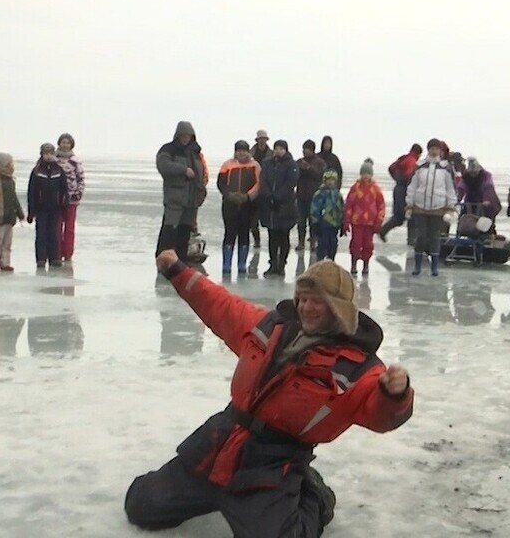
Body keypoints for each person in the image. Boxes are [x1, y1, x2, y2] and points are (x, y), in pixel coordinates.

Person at [125, 250, 413, 537]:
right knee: (141, 504)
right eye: (302, 298)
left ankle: (313, 496)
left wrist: (393, 394)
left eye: (317, 302)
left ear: (338, 309)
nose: (306, 307)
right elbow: (221, 306)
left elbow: (379, 414)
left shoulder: (357, 368)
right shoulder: (270, 326)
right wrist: (178, 270)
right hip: (219, 442)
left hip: (273, 463)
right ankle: (214, 494)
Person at [155, 121, 207, 264]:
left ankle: (181, 263)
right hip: (175, 199)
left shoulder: (195, 152)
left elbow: (201, 173)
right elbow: (163, 166)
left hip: (191, 200)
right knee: (169, 231)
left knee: (184, 234)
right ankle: (163, 261)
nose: (185, 138)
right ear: (178, 135)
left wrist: (202, 191)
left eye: (188, 136)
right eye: (183, 135)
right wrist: (183, 170)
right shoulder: (168, 149)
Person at [406, 139, 457, 276]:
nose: (434, 151)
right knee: (421, 237)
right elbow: (412, 186)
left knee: (435, 237)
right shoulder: (419, 166)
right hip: (420, 208)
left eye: (436, 149)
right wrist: (409, 205)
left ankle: (434, 267)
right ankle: (417, 266)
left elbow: (451, 188)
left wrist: (450, 207)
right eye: (432, 148)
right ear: (428, 150)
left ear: (440, 151)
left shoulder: (446, 168)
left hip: (438, 208)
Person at [217, 140, 262, 275]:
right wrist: (230, 195)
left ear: (248, 151)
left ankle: (242, 264)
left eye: (244, 150)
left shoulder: (255, 165)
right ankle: (226, 264)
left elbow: (259, 184)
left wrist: (247, 197)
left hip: (248, 205)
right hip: (230, 205)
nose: (241, 153)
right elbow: (221, 183)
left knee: (244, 234)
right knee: (229, 233)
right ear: (235, 151)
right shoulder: (227, 164)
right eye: (239, 150)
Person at [257, 139, 299, 276]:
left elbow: (291, 183)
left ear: (286, 150)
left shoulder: (291, 164)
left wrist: (278, 197)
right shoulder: (267, 163)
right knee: (272, 236)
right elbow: (262, 180)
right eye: (276, 148)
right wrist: (269, 196)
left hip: (285, 206)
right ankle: (273, 263)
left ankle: (282, 264)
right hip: (269, 206)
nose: (278, 151)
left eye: (281, 148)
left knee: (283, 236)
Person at [28, 142, 68, 269]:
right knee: (41, 234)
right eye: (46, 153)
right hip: (41, 208)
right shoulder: (37, 171)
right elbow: (31, 192)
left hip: (55, 208)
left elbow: (64, 189)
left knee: (53, 233)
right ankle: (41, 259)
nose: (49, 156)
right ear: (42, 154)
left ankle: (54, 257)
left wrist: (64, 203)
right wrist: (31, 211)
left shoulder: (58, 170)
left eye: (51, 153)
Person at [0, 150, 25, 272]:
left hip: (9, 217)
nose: (12, 165)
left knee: (7, 243)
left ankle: (5, 262)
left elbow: (14, 198)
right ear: (4, 165)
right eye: (10, 163)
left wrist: (20, 214)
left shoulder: (10, 180)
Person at [344, 159, 386, 276]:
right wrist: (346, 220)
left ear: (371, 174)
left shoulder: (376, 189)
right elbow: (349, 204)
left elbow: (381, 206)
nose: (365, 176)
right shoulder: (355, 188)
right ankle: (354, 264)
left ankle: (366, 265)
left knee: (368, 244)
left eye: (367, 174)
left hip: (370, 223)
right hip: (357, 221)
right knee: (356, 243)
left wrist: (379, 221)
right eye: (363, 173)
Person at [379, 143, 423, 243]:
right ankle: (411, 239)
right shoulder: (412, 161)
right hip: (404, 191)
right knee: (409, 214)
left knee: (398, 216)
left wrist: (397, 179)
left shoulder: (404, 158)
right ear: (419, 153)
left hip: (398, 188)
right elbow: (409, 176)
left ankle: (383, 230)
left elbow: (391, 168)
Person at [55, 132, 85, 263]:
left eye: (67, 143)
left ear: (71, 145)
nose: (65, 145)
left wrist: (78, 192)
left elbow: (81, 179)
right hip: (56, 199)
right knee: (57, 226)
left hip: (72, 199)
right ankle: (57, 251)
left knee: (69, 227)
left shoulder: (75, 161)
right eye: (63, 142)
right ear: (59, 143)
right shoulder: (53, 160)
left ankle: (67, 253)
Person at [295, 139, 326, 253]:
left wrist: (309, 168)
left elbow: (320, 176)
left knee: (313, 221)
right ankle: (301, 242)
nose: (305, 151)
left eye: (307, 149)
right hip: (301, 195)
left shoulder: (319, 162)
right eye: (303, 149)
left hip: (314, 197)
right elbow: (294, 176)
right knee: (301, 221)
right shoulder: (298, 162)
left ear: (312, 150)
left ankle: (313, 243)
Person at [455, 156, 501, 227]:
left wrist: (486, 199)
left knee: (487, 220)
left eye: (475, 173)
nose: (473, 174)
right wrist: (457, 199)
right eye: (471, 173)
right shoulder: (466, 176)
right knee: (464, 219)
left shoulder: (485, 176)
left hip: (485, 201)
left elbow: (488, 187)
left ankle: (489, 233)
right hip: (470, 201)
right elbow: (461, 187)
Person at [310, 170, 345, 262]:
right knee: (323, 242)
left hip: (335, 224)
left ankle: (331, 259)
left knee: (333, 243)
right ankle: (320, 260)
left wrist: (342, 223)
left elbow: (341, 209)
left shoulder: (338, 195)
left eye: (332, 180)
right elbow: (314, 209)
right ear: (324, 181)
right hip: (323, 223)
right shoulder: (319, 194)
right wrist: (315, 222)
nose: (330, 182)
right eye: (328, 180)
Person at [249, 129, 274, 248]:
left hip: (266, 190)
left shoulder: (272, 154)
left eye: (264, 139)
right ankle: (257, 240)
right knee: (252, 220)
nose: (262, 141)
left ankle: (272, 243)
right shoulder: (250, 154)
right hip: (253, 189)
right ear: (257, 140)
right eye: (260, 139)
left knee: (269, 220)